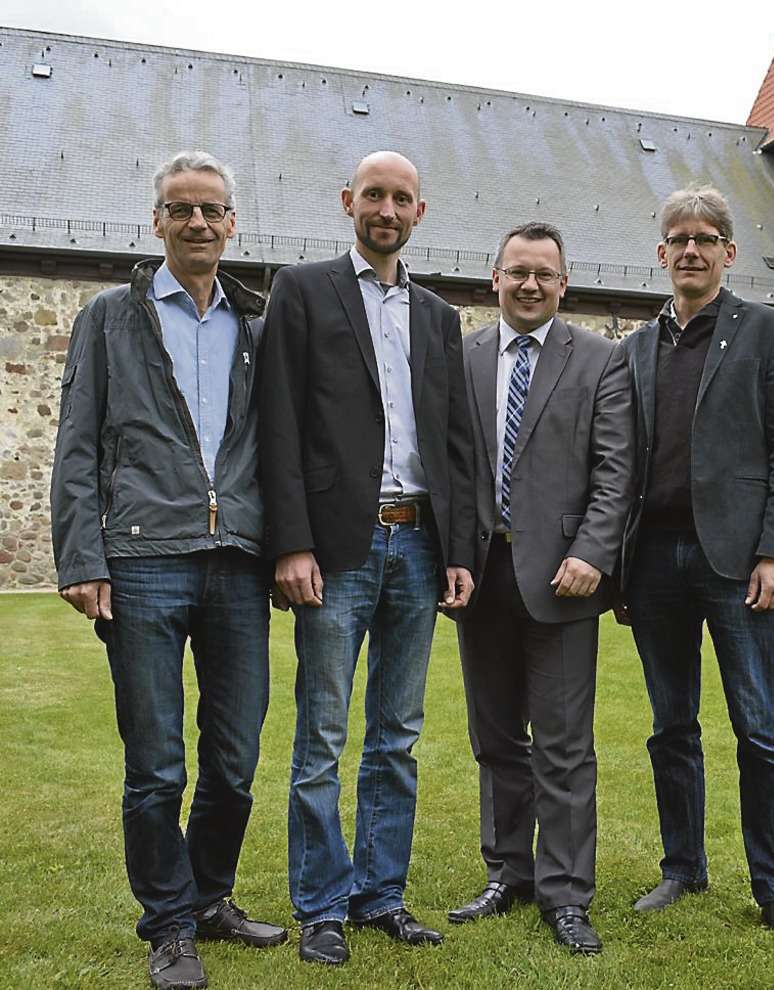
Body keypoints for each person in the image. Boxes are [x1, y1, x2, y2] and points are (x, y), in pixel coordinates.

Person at [50, 151, 286, 990]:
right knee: (156, 763)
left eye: (211, 210)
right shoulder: (109, 318)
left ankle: (210, 898)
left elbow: (278, 449)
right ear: (156, 223)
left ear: (232, 223)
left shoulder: (256, 326)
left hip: (237, 564)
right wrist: (81, 555)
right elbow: (75, 440)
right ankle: (169, 926)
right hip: (143, 561)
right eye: (179, 210)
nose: (196, 223)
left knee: (234, 756)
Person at [259, 151, 476, 965]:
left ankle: (381, 894)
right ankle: (320, 905)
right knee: (321, 734)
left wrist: (458, 549)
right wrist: (290, 541)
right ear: (349, 201)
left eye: (402, 198)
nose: (387, 208)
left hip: (417, 542)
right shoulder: (303, 290)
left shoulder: (436, 314)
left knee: (396, 735)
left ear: (420, 212)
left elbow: (454, 443)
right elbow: (277, 423)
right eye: (374, 194)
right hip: (337, 549)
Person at [616, 186, 774, 941]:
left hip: (735, 561)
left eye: (705, 237)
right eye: (677, 238)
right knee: (671, 727)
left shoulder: (767, 330)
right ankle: (682, 867)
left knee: (759, 726)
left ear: (728, 252)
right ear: (660, 252)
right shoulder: (636, 347)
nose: (690, 250)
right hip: (654, 562)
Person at [447, 222, 633, 955]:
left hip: (563, 579)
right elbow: (452, 467)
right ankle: (506, 873)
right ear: (492, 278)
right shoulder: (459, 359)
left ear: (563, 285)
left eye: (543, 275)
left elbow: (616, 469)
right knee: (494, 740)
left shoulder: (598, 360)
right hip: (479, 577)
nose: (529, 285)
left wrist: (593, 551)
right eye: (516, 272)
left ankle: (564, 895)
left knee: (562, 747)